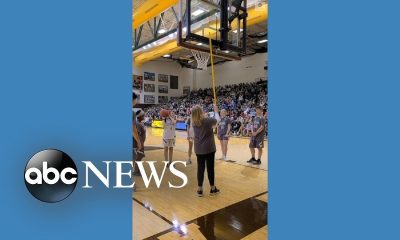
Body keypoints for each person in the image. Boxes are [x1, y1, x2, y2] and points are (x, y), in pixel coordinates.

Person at [191, 104, 221, 197]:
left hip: (198, 148)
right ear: (201, 112)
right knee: (210, 168)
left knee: (200, 169)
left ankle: (199, 189)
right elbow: (217, 121)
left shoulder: (193, 122)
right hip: (209, 148)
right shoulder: (207, 120)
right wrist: (216, 111)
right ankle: (212, 188)